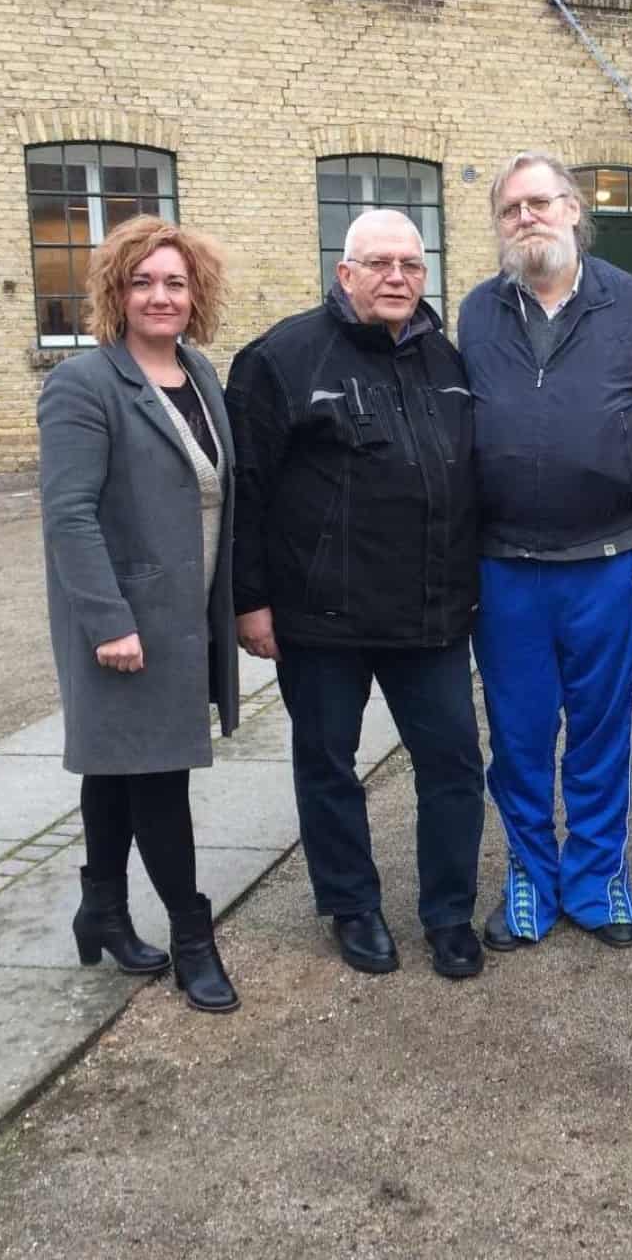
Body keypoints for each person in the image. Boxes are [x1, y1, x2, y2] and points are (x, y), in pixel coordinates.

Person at [225, 210, 485, 982]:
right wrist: (251, 601)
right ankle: (351, 904)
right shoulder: (282, 357)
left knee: (454, 765)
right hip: (323, 617)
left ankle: (448, 913)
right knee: (327, 763)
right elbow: (246, 491)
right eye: (378, 264)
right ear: (345, 274)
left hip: (430, 613)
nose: (397, 277)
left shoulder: (448, 358)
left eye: (411, 263)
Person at [458, 151, 632, 952]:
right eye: (512, 207)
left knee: (599, 731)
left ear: (573, 211)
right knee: (520, 734)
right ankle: (530, 877)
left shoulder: (630, 304)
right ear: (499, 226)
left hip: (605, 560)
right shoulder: (476, 313)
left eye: (542, 202)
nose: (529, 217)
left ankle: (597, 879)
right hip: (505, 565)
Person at [38, 215, 240, 1014]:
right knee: (157, 779)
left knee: (115, 768)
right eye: (143, 281)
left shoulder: (200, 373)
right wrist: (107, 622)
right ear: (116, 293)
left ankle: (102, 910)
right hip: (126, 621)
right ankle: (194, 936)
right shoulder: (84, 385)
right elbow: (69, 517)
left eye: (175, 282)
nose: (160, 296)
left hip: (187, 617)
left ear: (196, 294)